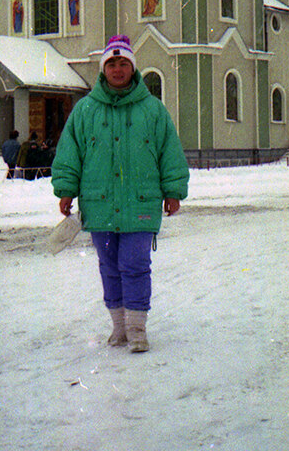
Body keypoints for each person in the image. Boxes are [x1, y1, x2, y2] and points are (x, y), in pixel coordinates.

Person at [51, 34, 189, 353]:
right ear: (103, 69)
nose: (117, 69)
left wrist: (173, 191)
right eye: (111, 64)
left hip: (141, 202)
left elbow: (169, 152)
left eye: (123, 63)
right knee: (109, 267)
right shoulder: (85, 110)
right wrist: (66, 189)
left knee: (135, 264)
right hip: (99, 203)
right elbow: (70, 153)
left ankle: (137, 328)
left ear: (132, 68)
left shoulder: (153, 110)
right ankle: (119, 326)